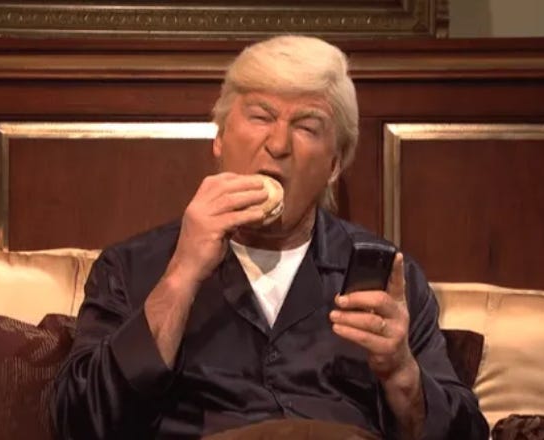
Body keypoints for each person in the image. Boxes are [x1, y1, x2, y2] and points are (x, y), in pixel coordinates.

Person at [52, 35, 489, 440]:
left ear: (334, 164)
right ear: (220, 138)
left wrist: (401, 374)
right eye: (260, 116)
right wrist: (181, 277)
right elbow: (77, 423)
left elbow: (466, 434)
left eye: (307, 127)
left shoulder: (386, 279)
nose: (278, 144)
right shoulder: (132, 268)